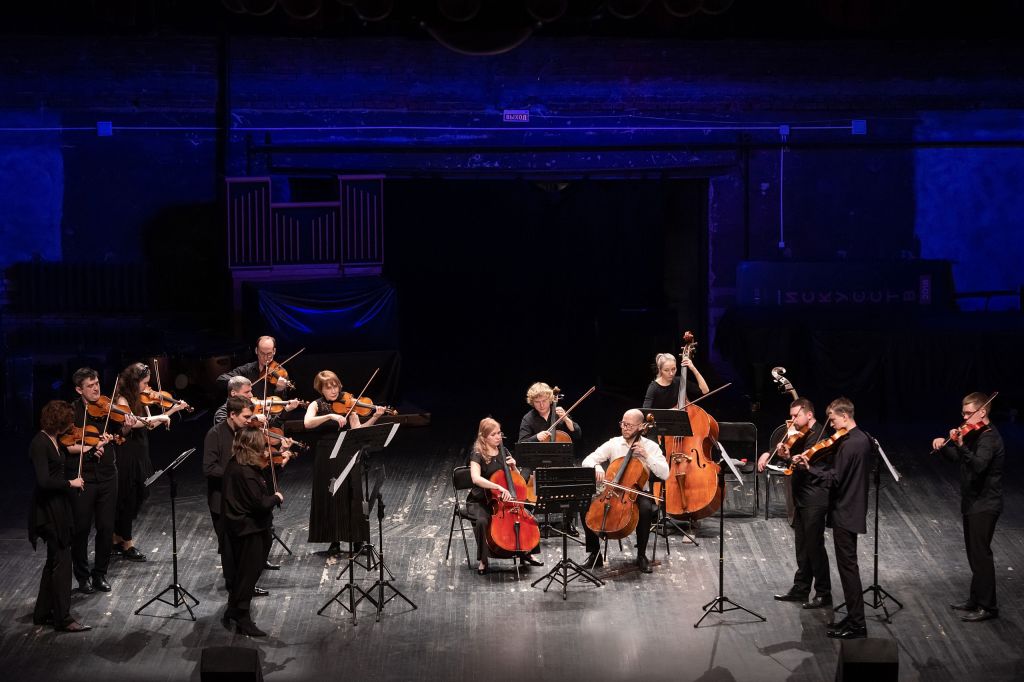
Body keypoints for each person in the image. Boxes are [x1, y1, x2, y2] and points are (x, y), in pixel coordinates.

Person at [792, 397, 871, 639]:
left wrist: (810, 468)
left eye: (834, 419)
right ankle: (853, 617)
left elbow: (835, 479)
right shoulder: (861, 439)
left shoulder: (850, 444)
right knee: (848, 569)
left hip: (846, 512)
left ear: (845, 416)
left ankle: (857, 624)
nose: (832, 424)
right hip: (851, 509)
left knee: (848, 570)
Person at [931, 392, 1004, 623]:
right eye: (963, 413)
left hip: (985, 504)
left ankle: (988, 606)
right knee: (974, 554)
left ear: (982, 412)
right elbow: (958, 458)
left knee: (981, 556)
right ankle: (975, 598)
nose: (964, 418)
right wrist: (944, 447)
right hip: (973, 502)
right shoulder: (975, 433)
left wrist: (962, 445)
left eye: (968, 413)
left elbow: (979, 465)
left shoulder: (989, 438)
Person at [757, 398, 831, 609]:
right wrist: (772, 453)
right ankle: (801, 588)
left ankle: (824, 593)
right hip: (801, 497)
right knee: (802, 547)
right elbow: (786, 450)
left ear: (809, 414)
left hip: (814, 498)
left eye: (795, 416)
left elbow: (805, 466)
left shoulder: (819, 436)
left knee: (815, 547)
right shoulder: (800, 432)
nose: (791, 420)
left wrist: (789, 458)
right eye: (791, 416)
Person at [111, 362, 188, 562]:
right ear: (133, 382)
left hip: (140, 451)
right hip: (127, 454)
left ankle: (116, 538)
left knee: (139, 495)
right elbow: (135, 422)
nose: (147, 388)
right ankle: (127, 543)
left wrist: (172, 410)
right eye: (144, 383)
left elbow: (150, 424)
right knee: (128, 498)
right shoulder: (122, 399)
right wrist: (161, 415)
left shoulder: (141, 398)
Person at [304, 370, 385, 555]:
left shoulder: (349, 405)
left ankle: (357, 540)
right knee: (330, 494)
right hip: (326, 455)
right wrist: (330, 416)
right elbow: (307, 423)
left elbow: (358, 430)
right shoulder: (316, 405)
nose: (333, 391)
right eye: (328, 387)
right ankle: (334, 540)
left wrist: (375, 417)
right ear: (321, 389)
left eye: (335, 386)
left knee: (353, 495)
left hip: (347, 453)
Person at [581, 409, 668, 574]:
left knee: (645, 508)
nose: (625, 428)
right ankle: (594, 554)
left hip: (638, 492)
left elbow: (665, 473)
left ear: (641, 426)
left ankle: (641, 555)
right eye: (623, 424)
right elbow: (588, 459)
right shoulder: (614, 443)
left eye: (629, 425)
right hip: (613, 490)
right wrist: (597, 466)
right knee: (584, 505)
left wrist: (646, 456)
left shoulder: (651, 447)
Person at [28, 400, 90, 632]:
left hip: (59, 506)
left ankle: (42, 612)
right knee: (62, 563)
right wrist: (70, 483)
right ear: (58, 421)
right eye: (68, 421)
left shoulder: (55, 440)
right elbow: (44, 481)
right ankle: (63, 618)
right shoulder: (40, 443)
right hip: (48, 510)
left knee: (54, 561)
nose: (71, 425)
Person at [221, 427, 283, 637]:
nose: (265, 447)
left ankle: (233, 609)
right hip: (250, 530)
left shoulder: (235, 464)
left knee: (243, 574)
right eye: (261, 444)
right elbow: (260, 503)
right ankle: (242, 618)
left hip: (241, 528)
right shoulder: (246, 473)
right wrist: (276, 498)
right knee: (249, 574)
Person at [64, 368, 118, 594]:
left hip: (107, 474)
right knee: (81, 529)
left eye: (97, 383)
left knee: (106, 527)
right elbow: (67, 445)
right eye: (90, 385)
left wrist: (126, 425)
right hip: (83, 476)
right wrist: (90, 447)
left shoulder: (107, 408)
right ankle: (82, 577)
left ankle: (100, 574)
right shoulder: (71, 412)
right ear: (79, 389)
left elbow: (120, 434)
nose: (96, 388)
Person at [465, 418, 543, 574]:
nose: (498, 437)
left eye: (499, 433)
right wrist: (498, 487)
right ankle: (483, 560)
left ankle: (527, 553)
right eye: (493, 434)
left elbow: (517, 480)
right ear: (484, 437)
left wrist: (514, 467)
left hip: (504, 500)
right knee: (482, 521)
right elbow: (476, 478)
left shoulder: (504, 451)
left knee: (529, 518)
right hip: (481, 499)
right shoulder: (477, 454)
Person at [642, 352, 710, 409]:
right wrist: (670, 412)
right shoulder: (653, 387)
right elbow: (646, 412)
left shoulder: (679, 381)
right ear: (660, 370)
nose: (671, 373)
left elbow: (705, 390)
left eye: (673, 369)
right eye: (666, 370)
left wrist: (693, 368)